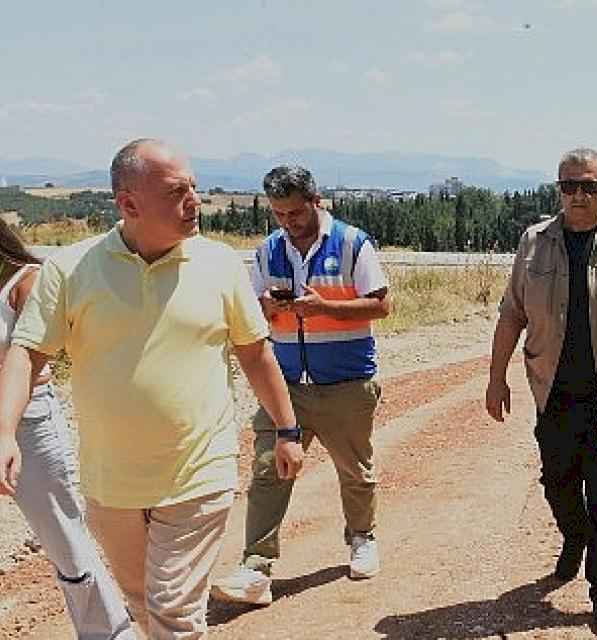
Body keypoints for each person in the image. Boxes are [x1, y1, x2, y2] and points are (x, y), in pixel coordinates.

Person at [0, 138, 299, 639]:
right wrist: (6, 430)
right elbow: (27, 352)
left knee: (173, 613)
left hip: (199, 471)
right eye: (177, 191)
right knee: (143, 604)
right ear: (129, 204)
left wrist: (288, 430)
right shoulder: (70, 270)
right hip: (111, 483)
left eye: (194, 188)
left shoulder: (220, 264)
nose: (194, 201)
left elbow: (255, 353)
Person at [486, 148, 597, 637]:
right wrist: (496, 377)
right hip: (552, 389)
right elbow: (512, 313)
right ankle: (574, 536)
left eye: (588, 186)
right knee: (557, 481)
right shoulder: (534, 242)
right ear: (558, 189)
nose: (579, 195)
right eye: (569, 186)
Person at [213, 164, 391, 606]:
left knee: (355, 470)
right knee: (268, 470)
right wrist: (265, 308)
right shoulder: (267, 251)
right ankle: (256, 567)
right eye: (278, 214)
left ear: (316, 201)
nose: (287, 222)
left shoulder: (352, 243)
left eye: (295, 212)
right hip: (285, 385)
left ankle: (362, 537)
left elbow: (381, 306)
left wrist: (324, 308)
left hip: (346, 382)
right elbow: (251, 314)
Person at [0, 223, 135, 639]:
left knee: (63, 538)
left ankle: (109, 634)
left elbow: (32, 359)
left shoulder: (27, 281)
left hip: (27, 425)